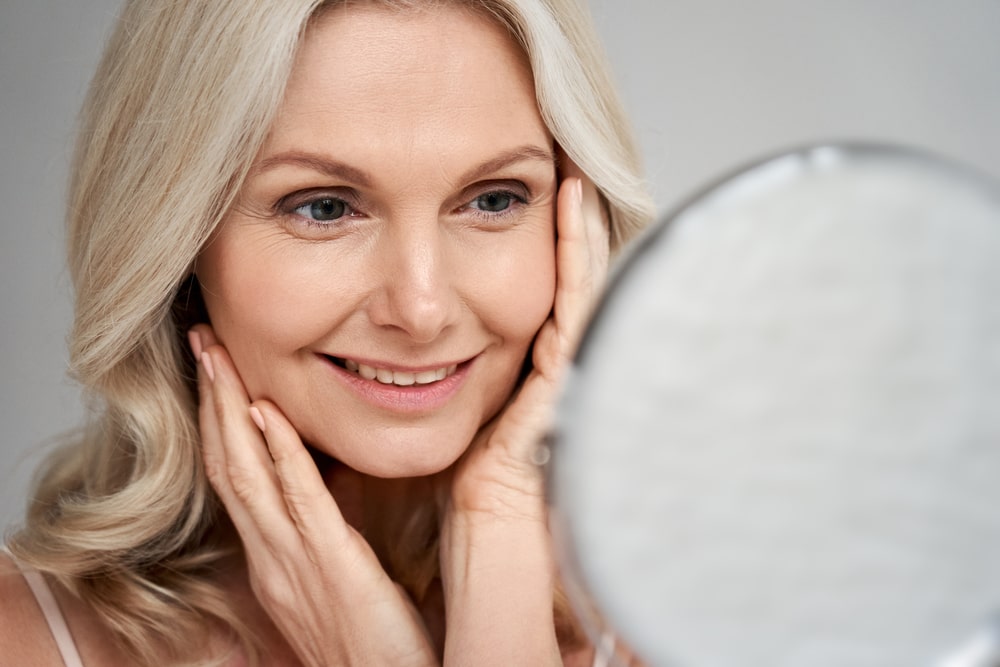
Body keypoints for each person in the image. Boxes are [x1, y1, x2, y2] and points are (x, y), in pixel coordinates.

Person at [0, 0, 654, 664]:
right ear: (178, 237)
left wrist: (499, 544)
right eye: (325, 207)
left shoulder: (686, 619)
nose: (421, 308)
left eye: (493, 198)